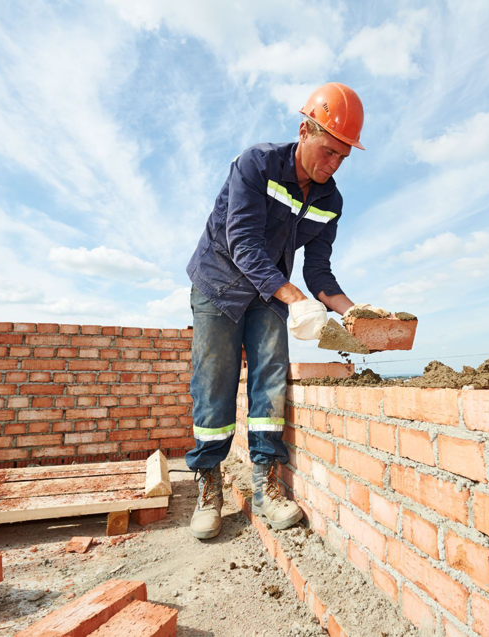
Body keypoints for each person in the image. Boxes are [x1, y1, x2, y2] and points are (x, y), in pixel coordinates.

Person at [184, 82, 371, 539]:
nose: (333, 165)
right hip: (220, 285)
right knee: (215, 381)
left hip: (270, 292)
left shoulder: (330, 201)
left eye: (342, 158)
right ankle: (209, 484)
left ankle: (267, 484)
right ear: (304, 130)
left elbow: (320, 273)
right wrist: (293, 298)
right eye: (328, 151)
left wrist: (357, 313)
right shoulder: (256, 165)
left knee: (270, 379)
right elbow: (242, 243)